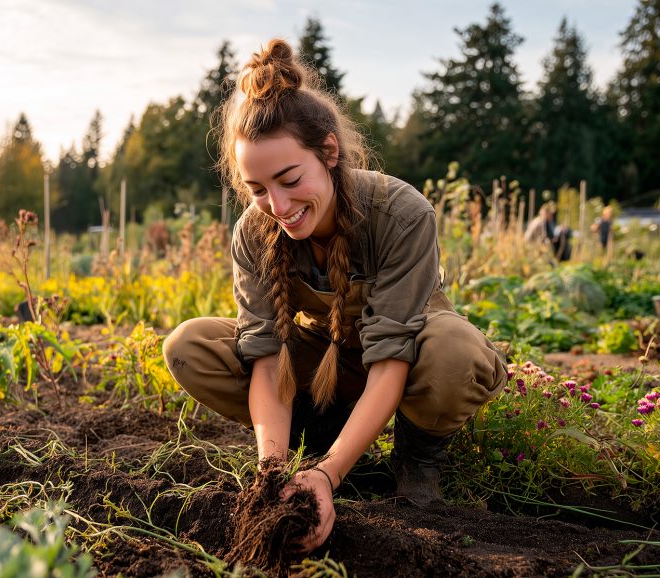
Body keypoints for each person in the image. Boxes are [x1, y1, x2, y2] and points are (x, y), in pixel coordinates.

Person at [162, 39, 507, 551]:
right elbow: (267, 359)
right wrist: (272, 474)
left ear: (329, 151)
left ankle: (414, 456)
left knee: (456, 352)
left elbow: (391, 359)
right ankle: (318, 440)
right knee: (190, 347)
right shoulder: (253, 233)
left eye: (289, 179)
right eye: (257, 189)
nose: (276, 205)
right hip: (324, 365)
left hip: (400, 362)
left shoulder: (401, 214)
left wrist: (329, 477)